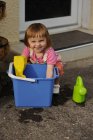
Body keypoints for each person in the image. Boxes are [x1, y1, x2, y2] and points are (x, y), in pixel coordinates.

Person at [22, 23, 64, 93]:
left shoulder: (50, 52)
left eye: (41, 40)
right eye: (33, 41)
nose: (37, 44)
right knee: (26, 64)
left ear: (46, 40)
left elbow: (49, 71)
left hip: (52, 64)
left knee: (57, 69)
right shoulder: (28, 49)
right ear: (28, 42)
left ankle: (56, 85)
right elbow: (21, 60)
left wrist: (46, 86)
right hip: (36, 62)